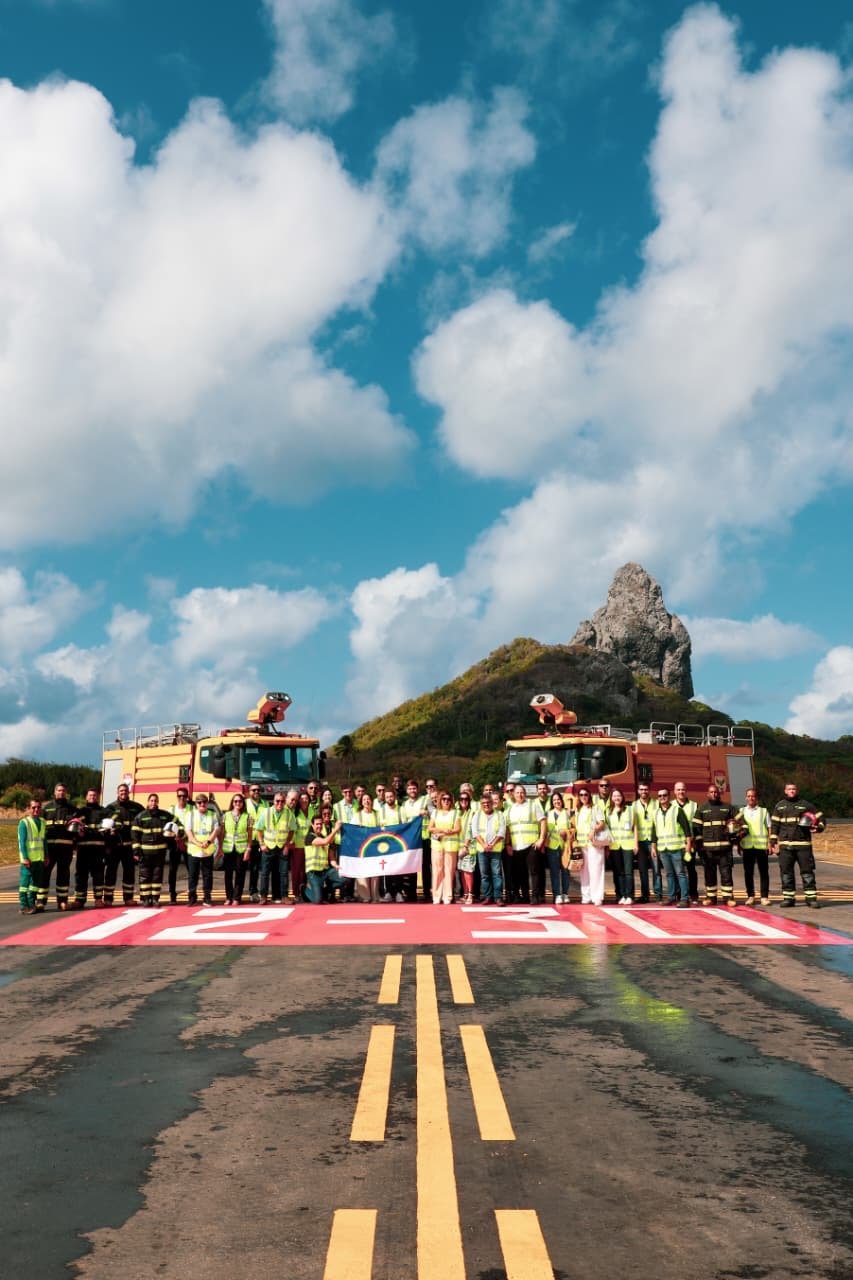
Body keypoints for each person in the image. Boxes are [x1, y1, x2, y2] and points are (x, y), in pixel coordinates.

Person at [770, 781, 824, 909]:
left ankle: (811, 899)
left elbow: (820, 817)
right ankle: (789, 899)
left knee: (807, 873)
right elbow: (775, 826)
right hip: (785, 847)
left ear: (797, 790)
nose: (792, 791)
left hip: (803, 846)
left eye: (794, 789)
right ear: (785, 791)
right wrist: (772, 841)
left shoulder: (805, 805)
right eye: (789, 789)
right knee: (786, 873)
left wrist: (819, 828)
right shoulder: (780, 806)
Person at [694, 784, 738, 906]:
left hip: (725, 849)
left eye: (716, 792)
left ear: (719, 794)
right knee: (709, 875)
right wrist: (699, 846)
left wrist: (736, 835)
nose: (714, 794)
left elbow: (740, 821)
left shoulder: (728, 808)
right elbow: (696, 828)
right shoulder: (702, 809)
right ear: (707, 794)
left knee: (726, 874)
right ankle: (711, 898)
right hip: (708, 850)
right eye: (711, 792)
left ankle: (728, 898)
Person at [651, 788, 693, 908]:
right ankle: (671, 896)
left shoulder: (677, 810)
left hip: (676, 848)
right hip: (663, 849)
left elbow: (686, 829)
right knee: (669, 874)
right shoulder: (656, 813)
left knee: (680, 873)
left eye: (664, 795)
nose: (662, 797)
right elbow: (654, 831)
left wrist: (688, 846)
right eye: (659, 796)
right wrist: (653, 847)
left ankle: (684, 899)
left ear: (669, 796)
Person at [506, 784, 547, 904]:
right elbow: (508, 828)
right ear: (513, 794)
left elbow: (543, 821)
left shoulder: (532, 805)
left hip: (531, 844)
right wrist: (508, 844)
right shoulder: (510, 809)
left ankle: (535, 896)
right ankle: (525, 896)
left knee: (534, 872)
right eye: (517, 793)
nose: (520, 795)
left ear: (525, 793)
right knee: (521, 873)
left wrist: (541, 839)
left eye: (522, 792)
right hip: (516, 846)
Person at [104, 783, 143, 907]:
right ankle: (108, 899)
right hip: (114, 847)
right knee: (110, 873)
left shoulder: (137, 808)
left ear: (129, 792)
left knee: (129, 873)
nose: (123, 793)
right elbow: (103, 827)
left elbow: (142, 826)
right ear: (117, 792)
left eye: (125, 791)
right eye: (121, 791)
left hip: (129, 848)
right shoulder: (110, 808)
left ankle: (128, 898)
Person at [42, 782, 78, 911]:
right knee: (44, 874)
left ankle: (62, 901)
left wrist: (75, 844)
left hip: (65, 849)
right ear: (54, 792)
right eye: (59, 790)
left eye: (63, 790)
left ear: (66, 792)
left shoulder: (72, 809)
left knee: (63, 875)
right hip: (49, 849)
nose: (61, 792)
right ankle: (41, 901)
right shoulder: (46, 808)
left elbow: (77, 829)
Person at [132, 793, 172, 907]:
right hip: (145, 853)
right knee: (145, 877)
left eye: (155, 801)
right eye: (152, 801)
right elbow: (135, 835)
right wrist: (136, 851)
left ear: (158, 802)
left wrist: (178, 832)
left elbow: (176, 823)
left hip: (160, 853)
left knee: (157, 877)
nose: (153, 803)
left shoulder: (164, 816)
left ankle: (155, 899)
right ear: (148, 802)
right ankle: (146, 899)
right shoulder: (140, 817)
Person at [255, 791, 294, 904]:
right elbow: (258, 829)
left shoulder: (288, 813)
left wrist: (287, 845)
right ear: (273, 801)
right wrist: (262, 844)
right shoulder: (266, 812)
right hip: (268, 847)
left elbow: (292, 830)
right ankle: (263, 896)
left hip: (282, 847)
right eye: (277, 801)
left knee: (284, 873)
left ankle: (284, 896)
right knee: (265, 873)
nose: (280, 803)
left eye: (282, 801)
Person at [573, 785, 609, 906]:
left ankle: (597, 897)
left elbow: (602, 823)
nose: (583, 797)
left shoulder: (595, 808)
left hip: (594, 844)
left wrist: (594, 830)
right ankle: (586, 896)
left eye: (586, 794)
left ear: (589, 796)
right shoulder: (578, 810)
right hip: (582, 844)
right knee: (584, 872)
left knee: (596, 871)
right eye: (581, 795)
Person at [735, 787, 772, 906]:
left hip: (761, 846)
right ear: (746, 798)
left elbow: (769, 828)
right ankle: (750, 896)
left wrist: (770, 843)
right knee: (748, 872)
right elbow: (737, 829)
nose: (751, 798)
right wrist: (739, 845)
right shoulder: (741, 811)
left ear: (757, 798)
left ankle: (764, 897)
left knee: (764, 872)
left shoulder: (764, 811)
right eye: (749, 796)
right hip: (747, 846)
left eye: (753, 796)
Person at [470, 791, 506, 905]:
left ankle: (498, 897)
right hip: (482, 849)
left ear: (492, 803)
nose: (486, 805)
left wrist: (492, 844)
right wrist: (484, 845)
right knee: (485, 875)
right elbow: (475, 832)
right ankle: (487, 897)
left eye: (488, 802)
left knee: (496, 874)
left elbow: (501, 832)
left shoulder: (499, 814)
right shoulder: (477, 815)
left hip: (495, 849)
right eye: (483, 803)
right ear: (481, 804)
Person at [73, 788, 106, 909]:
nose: (92, 797)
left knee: (98, 875)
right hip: (83, 849)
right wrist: (77, 836)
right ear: (86, 797)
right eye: (90, 795)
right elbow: (73, 828)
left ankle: (98, 899)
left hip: (98, 850)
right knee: (81, 875)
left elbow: (108, 829)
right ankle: (79, 900)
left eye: (95, 795)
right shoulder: (80, 812)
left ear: (98, 797)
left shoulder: (104, 812)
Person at [184, 793, 220, 906]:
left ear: (207, 803)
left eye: (204, 802)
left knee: (208, 875)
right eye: (199, 802)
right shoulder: (190, 814)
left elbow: (216, 830)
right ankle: (192, 897)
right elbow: (188, 832)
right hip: (194, 850)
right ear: (196, 804)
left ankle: (207, 897)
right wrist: (198, 843)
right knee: (192, 875)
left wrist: (208, 842)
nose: (202, 804)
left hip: (207, 851)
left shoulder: (212, 815)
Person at [303, 816, 345, 903]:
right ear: (312, 825)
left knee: (344, 877)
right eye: (317, 824)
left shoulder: (324, 836)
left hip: (325, 872)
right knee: (318, 900)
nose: (319, 826)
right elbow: (325, 841)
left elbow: (331, 857)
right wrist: (335, 830)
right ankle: (305, 890)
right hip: (313, 873)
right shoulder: (309, 837)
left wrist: (335, 865)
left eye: (321, 824)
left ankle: (323, 892)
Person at [429, 791, 461, 905]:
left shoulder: (455, 813)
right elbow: (430, 827)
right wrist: (442, 830)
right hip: (437, 845)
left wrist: (450, 831)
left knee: (449, 871)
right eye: (444, 799)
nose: (446, 801)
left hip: (450, 846)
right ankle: (436, 896)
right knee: (437, 871)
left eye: (448, 799)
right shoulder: (435, 813)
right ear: (440, 800)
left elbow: (457, 828)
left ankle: (447, 896)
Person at [222, 794, 253, 905]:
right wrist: (220, 849)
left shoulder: (248, 817)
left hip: (241, 849)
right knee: (228, 874)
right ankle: (228, 897)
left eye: (240, 801)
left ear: (243, 803)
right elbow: (222, 833)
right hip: (228, 849)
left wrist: (248, 849)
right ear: (232, 803)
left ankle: (236, 898)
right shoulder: (225, 816)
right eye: (235, 801)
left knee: (240, 874)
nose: (237, 803)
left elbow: (250, 835)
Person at [607, 788, 637, 904]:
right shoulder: (608, 812)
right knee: (618, 872)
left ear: (622, 797)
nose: (616, 798)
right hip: (614, 846)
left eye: (618, 795)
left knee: (628, 872)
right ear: (611, 798)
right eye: (614, 796)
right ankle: (620, 895)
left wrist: (635, 844)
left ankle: (629, 895)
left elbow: (635, 828)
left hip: (628, 845)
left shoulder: (630, 810)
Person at [632, 783, 660, 903]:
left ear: (649, 791)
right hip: (640, 841)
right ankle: (645, 895)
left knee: (656, 868)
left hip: (653, 841)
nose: (644, 791)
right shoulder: (634, 805)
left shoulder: (656, 803)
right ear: (638, 791)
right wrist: (635, 843)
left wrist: (655, 842)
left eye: (646, 789)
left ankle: (658, 894)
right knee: (642, 870)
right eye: (642, 789)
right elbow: (633, 825)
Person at [18, 798, 47, 913]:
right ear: (29, 809)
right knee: (24, 884)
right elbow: (22, 842)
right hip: (28, 859)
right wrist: (25, 857)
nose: (36, 809)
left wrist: (47, 856)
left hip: (39, 858)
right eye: (33, 807)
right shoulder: (24, 823)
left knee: (35, 884)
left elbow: (43, 841)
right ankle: (24, 906)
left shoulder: (43, 822)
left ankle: (31, 904)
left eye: (38, 807)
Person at [400, 779, 427, 905]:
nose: (412, 790)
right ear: (407, 790)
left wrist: (425, 813)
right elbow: (403, 822)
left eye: (414, 788)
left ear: (418, 789)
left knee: (425, 867)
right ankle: (410, 894)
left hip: (424, 837)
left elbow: (430, 812)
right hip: (410, 840)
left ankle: (426, 893)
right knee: (410, 867)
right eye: (410, 788)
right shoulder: (404, 805)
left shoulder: (424, 800)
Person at [673, 782, 700, 902]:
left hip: (690, 843)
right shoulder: (670, 805)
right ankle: (680, 894)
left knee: (691, 869)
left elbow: (697, 824)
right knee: (678, 870)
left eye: (682, 789)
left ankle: (693, 894)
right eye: (678, 790)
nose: (680, 792)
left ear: (686, 790)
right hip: (676, 843)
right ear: (674, 792)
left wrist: (695, 840)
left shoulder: (694, 805)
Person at [168, 788, 195, 904]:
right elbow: (167, 826)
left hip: (189, 844)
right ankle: (172, 896)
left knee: (192, 871)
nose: (182, 798)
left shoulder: (192, 809)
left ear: (187, 797)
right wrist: (174, 835)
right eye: (179, 796)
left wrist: (185, 836)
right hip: (175, 844)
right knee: (172, 870)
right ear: (176, 796)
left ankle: (192, 896)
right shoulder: (171, 810)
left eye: (184, 796)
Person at [545, 789, 572, 905]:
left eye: (558, 799)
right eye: (554, 800)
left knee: (565, 870)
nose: (557, 802)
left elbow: (573, 829)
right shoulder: (548, 814)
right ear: (552, 802)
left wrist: (566, 832)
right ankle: (557, 894)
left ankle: (565, 893)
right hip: (552, 846)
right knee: (554, 872)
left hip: (565, 846)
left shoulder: (568, 813)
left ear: (562, 801)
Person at [333, 784, 359, 901]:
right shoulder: (336, 806)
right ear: (342, 793)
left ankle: (350, 893)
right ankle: (343, 893)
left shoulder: (358, 804)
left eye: (349, 792)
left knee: (353, 867)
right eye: (345, 792)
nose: (348, 794)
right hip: (341, 841)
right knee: (342, 868)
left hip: (354, 841)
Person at [354, 793, 381, 903]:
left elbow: (382, 828)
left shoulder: (377, 814)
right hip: (362, 847)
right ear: (361, 802)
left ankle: (375, 896)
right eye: (364, 799)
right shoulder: (357, 815)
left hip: (375, 847)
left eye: (368, 799)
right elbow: (353, 830)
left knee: (375, 872)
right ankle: (365, 896)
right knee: (363, 872)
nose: (366, 801)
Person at [244, 784, 267, 903]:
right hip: (249, 840)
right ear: (249, 792)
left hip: (262, 840)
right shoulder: (245, 804)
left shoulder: (265, 804)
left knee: (263, 868)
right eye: (254, 790)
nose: (256, 791)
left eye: (258, 790)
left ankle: (263, 892)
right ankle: (252, 892)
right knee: (252, 868)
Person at [289, 790, 311, 903]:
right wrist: (291, 842)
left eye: (306, 798)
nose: (304, 800)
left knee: (306, 871)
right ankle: (296, 893)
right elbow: (292, 829)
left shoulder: (312, 811)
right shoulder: (294, 812)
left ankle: (305, 892)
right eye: (301, 799)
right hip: (297, 846)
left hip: (310, 846)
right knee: (297, 871)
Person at [457, 792, 477, 905]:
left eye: (466, 799)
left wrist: (465, 846)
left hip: (469, 847)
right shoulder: (459, 813)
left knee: (468, 872)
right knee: (462, 872)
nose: (464, 801)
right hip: (459, 847)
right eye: (461, 799)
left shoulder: (472, 813)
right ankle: (465, 894)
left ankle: (470, 894)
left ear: (469, 801)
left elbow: (471, 831)